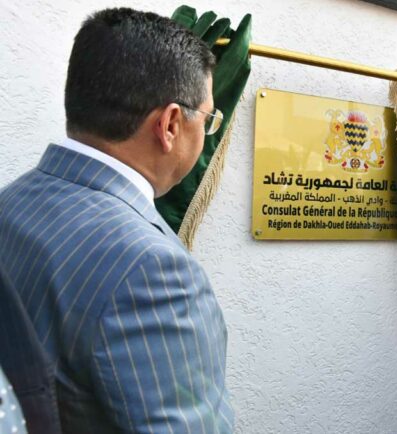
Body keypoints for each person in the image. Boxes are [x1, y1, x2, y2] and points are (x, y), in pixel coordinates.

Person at [0, 8, 233, 433]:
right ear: (171, 125)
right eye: (208, 118)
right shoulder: (154, 271)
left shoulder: (13, 201)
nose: (207, 133)